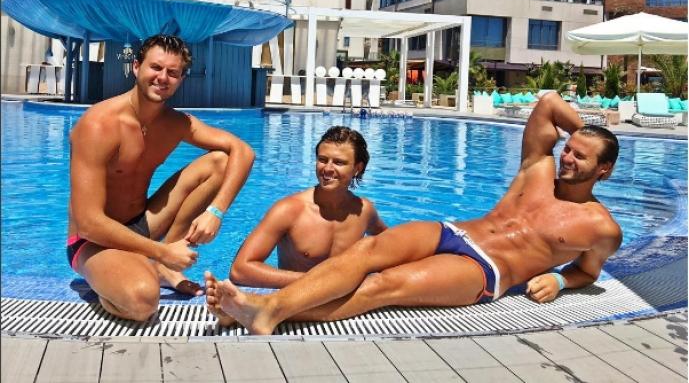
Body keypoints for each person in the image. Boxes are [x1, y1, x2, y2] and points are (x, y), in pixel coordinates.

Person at [205, 92, 622, 335]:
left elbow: (588, 273)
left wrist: (559, 279)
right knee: (366, 253)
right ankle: (261, 309)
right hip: (453, 232)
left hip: (485, 269)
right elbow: (548, 103)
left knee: (382, 286)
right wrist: (591, 132)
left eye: (581, 156)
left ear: (604, 170)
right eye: (569, 148)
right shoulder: (539, 168)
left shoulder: (601, 228)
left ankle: (266, 310)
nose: (568, 157)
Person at [67, 34, 255, 322]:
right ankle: (136, 269)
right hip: (93, 241)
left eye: (172, 72)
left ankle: (160, 266)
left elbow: (242, 151)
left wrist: (215, 212)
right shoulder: (99, 125)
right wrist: (162, 252)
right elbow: (89, 223)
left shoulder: (175, 123)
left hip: (141, 225)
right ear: (136, 67)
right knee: (142, 302)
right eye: (155, 67)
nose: (163, 78)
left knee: (220, 162)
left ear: (181, 79)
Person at [208, 127, 386, 325]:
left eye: (339, 162)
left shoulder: (364, 211)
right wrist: (319, 282)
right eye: (322, 159)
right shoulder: (290, 210)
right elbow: (240, 269)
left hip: (344, 311)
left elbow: (393, 248)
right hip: (291, 310)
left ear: (357, 168)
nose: (327, 169)